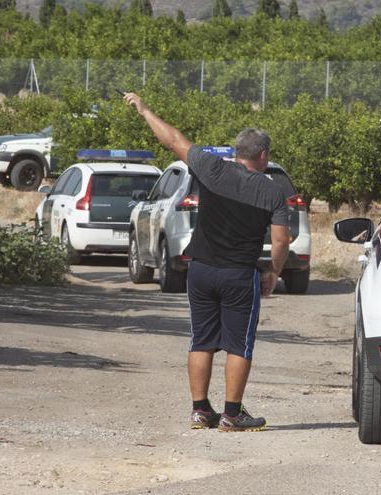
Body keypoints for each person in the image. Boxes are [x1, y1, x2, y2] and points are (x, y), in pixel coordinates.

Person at [123, 92, 291, 432]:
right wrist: (274, 270)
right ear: (263, 155)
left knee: (201, 340)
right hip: (239, 275)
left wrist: (144, 109)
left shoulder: (212, 168)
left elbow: (172, 139)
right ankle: (232, 414)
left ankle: (200, 410)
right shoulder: (272, 192)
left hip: (200, 270)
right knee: (238, 344)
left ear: (235, 152)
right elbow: (281, 240)